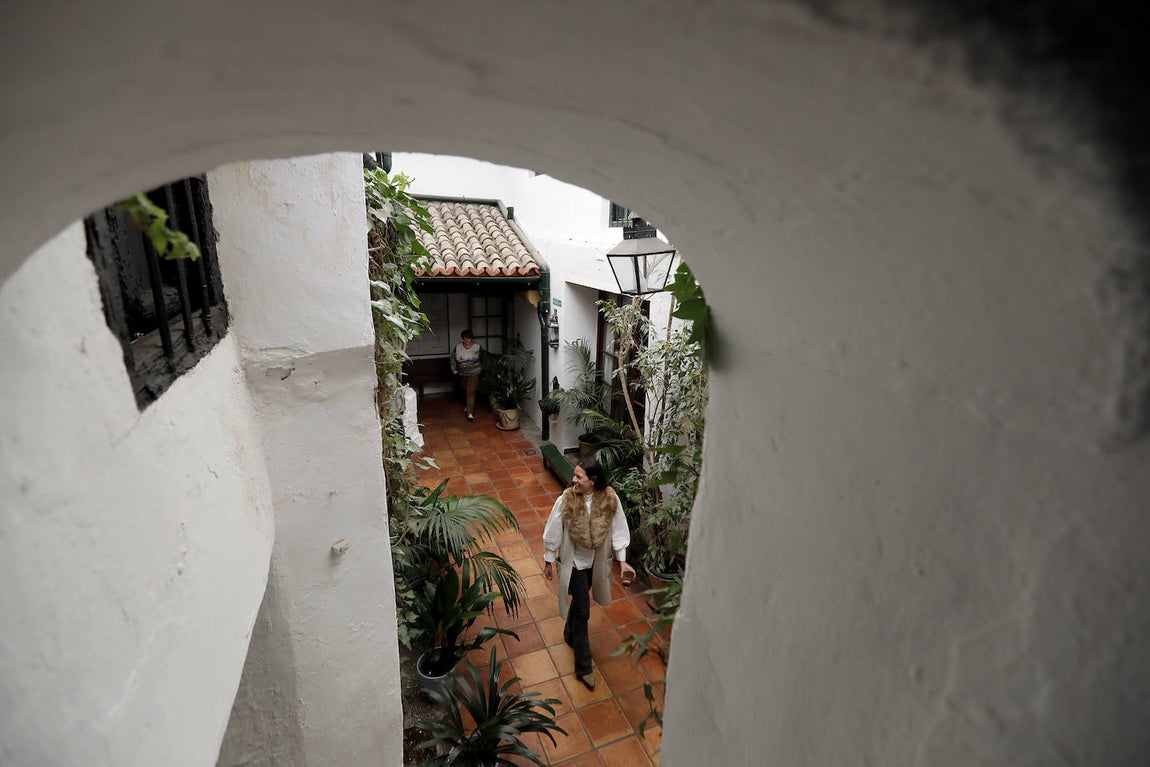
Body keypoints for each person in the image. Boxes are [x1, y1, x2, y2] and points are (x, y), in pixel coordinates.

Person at [542, 458, 636, 690]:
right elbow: (553, 530)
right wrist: (548, 559)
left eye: (579, 477)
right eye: (574, 475)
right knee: (583, 609)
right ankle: (583, 667)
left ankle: (569, 632)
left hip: (595, 562)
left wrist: (623, 562)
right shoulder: (566, 500)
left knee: (581, 603)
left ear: (593, 481)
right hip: (572, 561)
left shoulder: (610, 500)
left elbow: (619, 529)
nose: (573, 480)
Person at [450, 329, 483, 421]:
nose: (467, 340)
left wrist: (481, 369)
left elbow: (484, 358)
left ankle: (470, 414)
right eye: (465, 338)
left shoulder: (477, 347)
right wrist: (454, 369)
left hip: (474, 373)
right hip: (462, 373)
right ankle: (468, 406)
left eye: (468, 338)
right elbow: (453, 359)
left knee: (470, 392)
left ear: (471, 338)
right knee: (464, 390)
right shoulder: (458, 347)